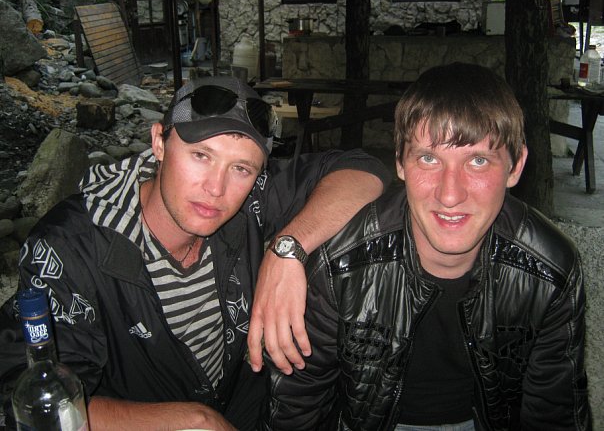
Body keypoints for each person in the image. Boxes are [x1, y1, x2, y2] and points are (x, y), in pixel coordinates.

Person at [0, 76, 391, 431]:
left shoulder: (253, 200)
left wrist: (288, 248)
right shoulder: (70, 247)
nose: (216, 188)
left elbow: (365, 169)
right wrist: (190, 420)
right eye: (201, 155)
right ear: (159, 143)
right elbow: (30, 400)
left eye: (241, 169)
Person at [260, 63, 592, 430]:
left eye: (478, 161)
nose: (450, 194)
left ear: (515, 167)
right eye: (429, 159)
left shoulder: (550, 269)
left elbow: (554, 413)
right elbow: (300, 405)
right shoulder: (340, 263)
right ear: (400, 163)